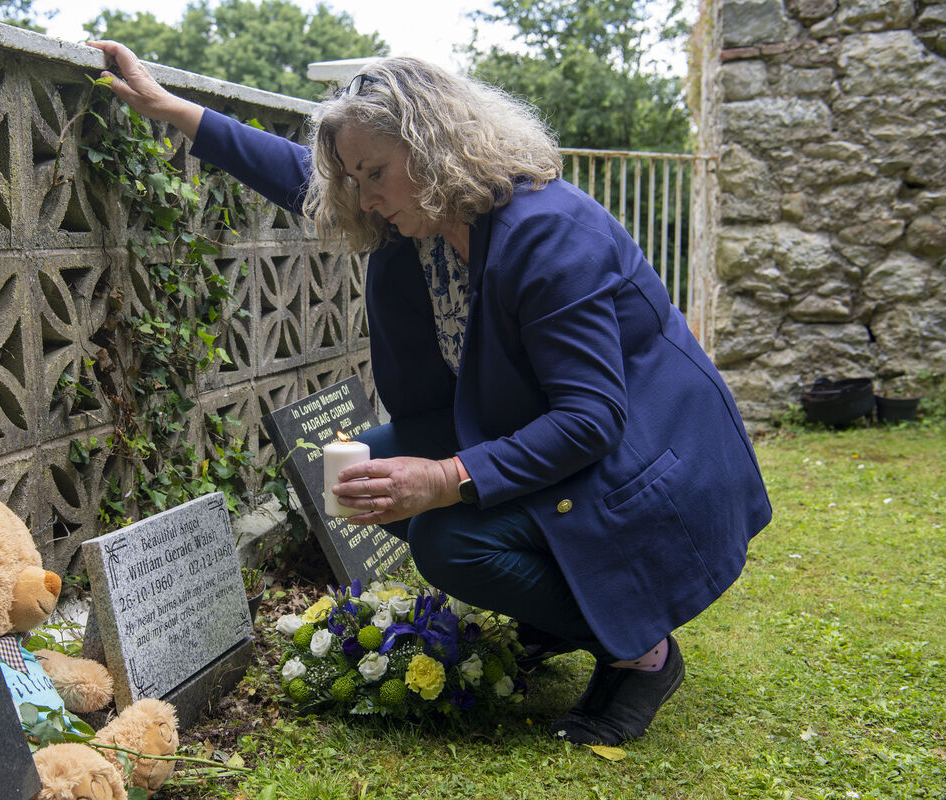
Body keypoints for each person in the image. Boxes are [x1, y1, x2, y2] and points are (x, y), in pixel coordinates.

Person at [87, 40, 772, 746]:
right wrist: (165, 105)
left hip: (638, 450)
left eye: (375, 173)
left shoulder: (551, 235)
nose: (364, 197)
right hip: (529, 424)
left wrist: (447, 479)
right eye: (353, 177)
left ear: (437, 147)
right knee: (354, 471)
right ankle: (552, 610)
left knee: (448, 541)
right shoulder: (411, 216)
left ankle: (641, 651)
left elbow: (592, 417)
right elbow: (296, 172)